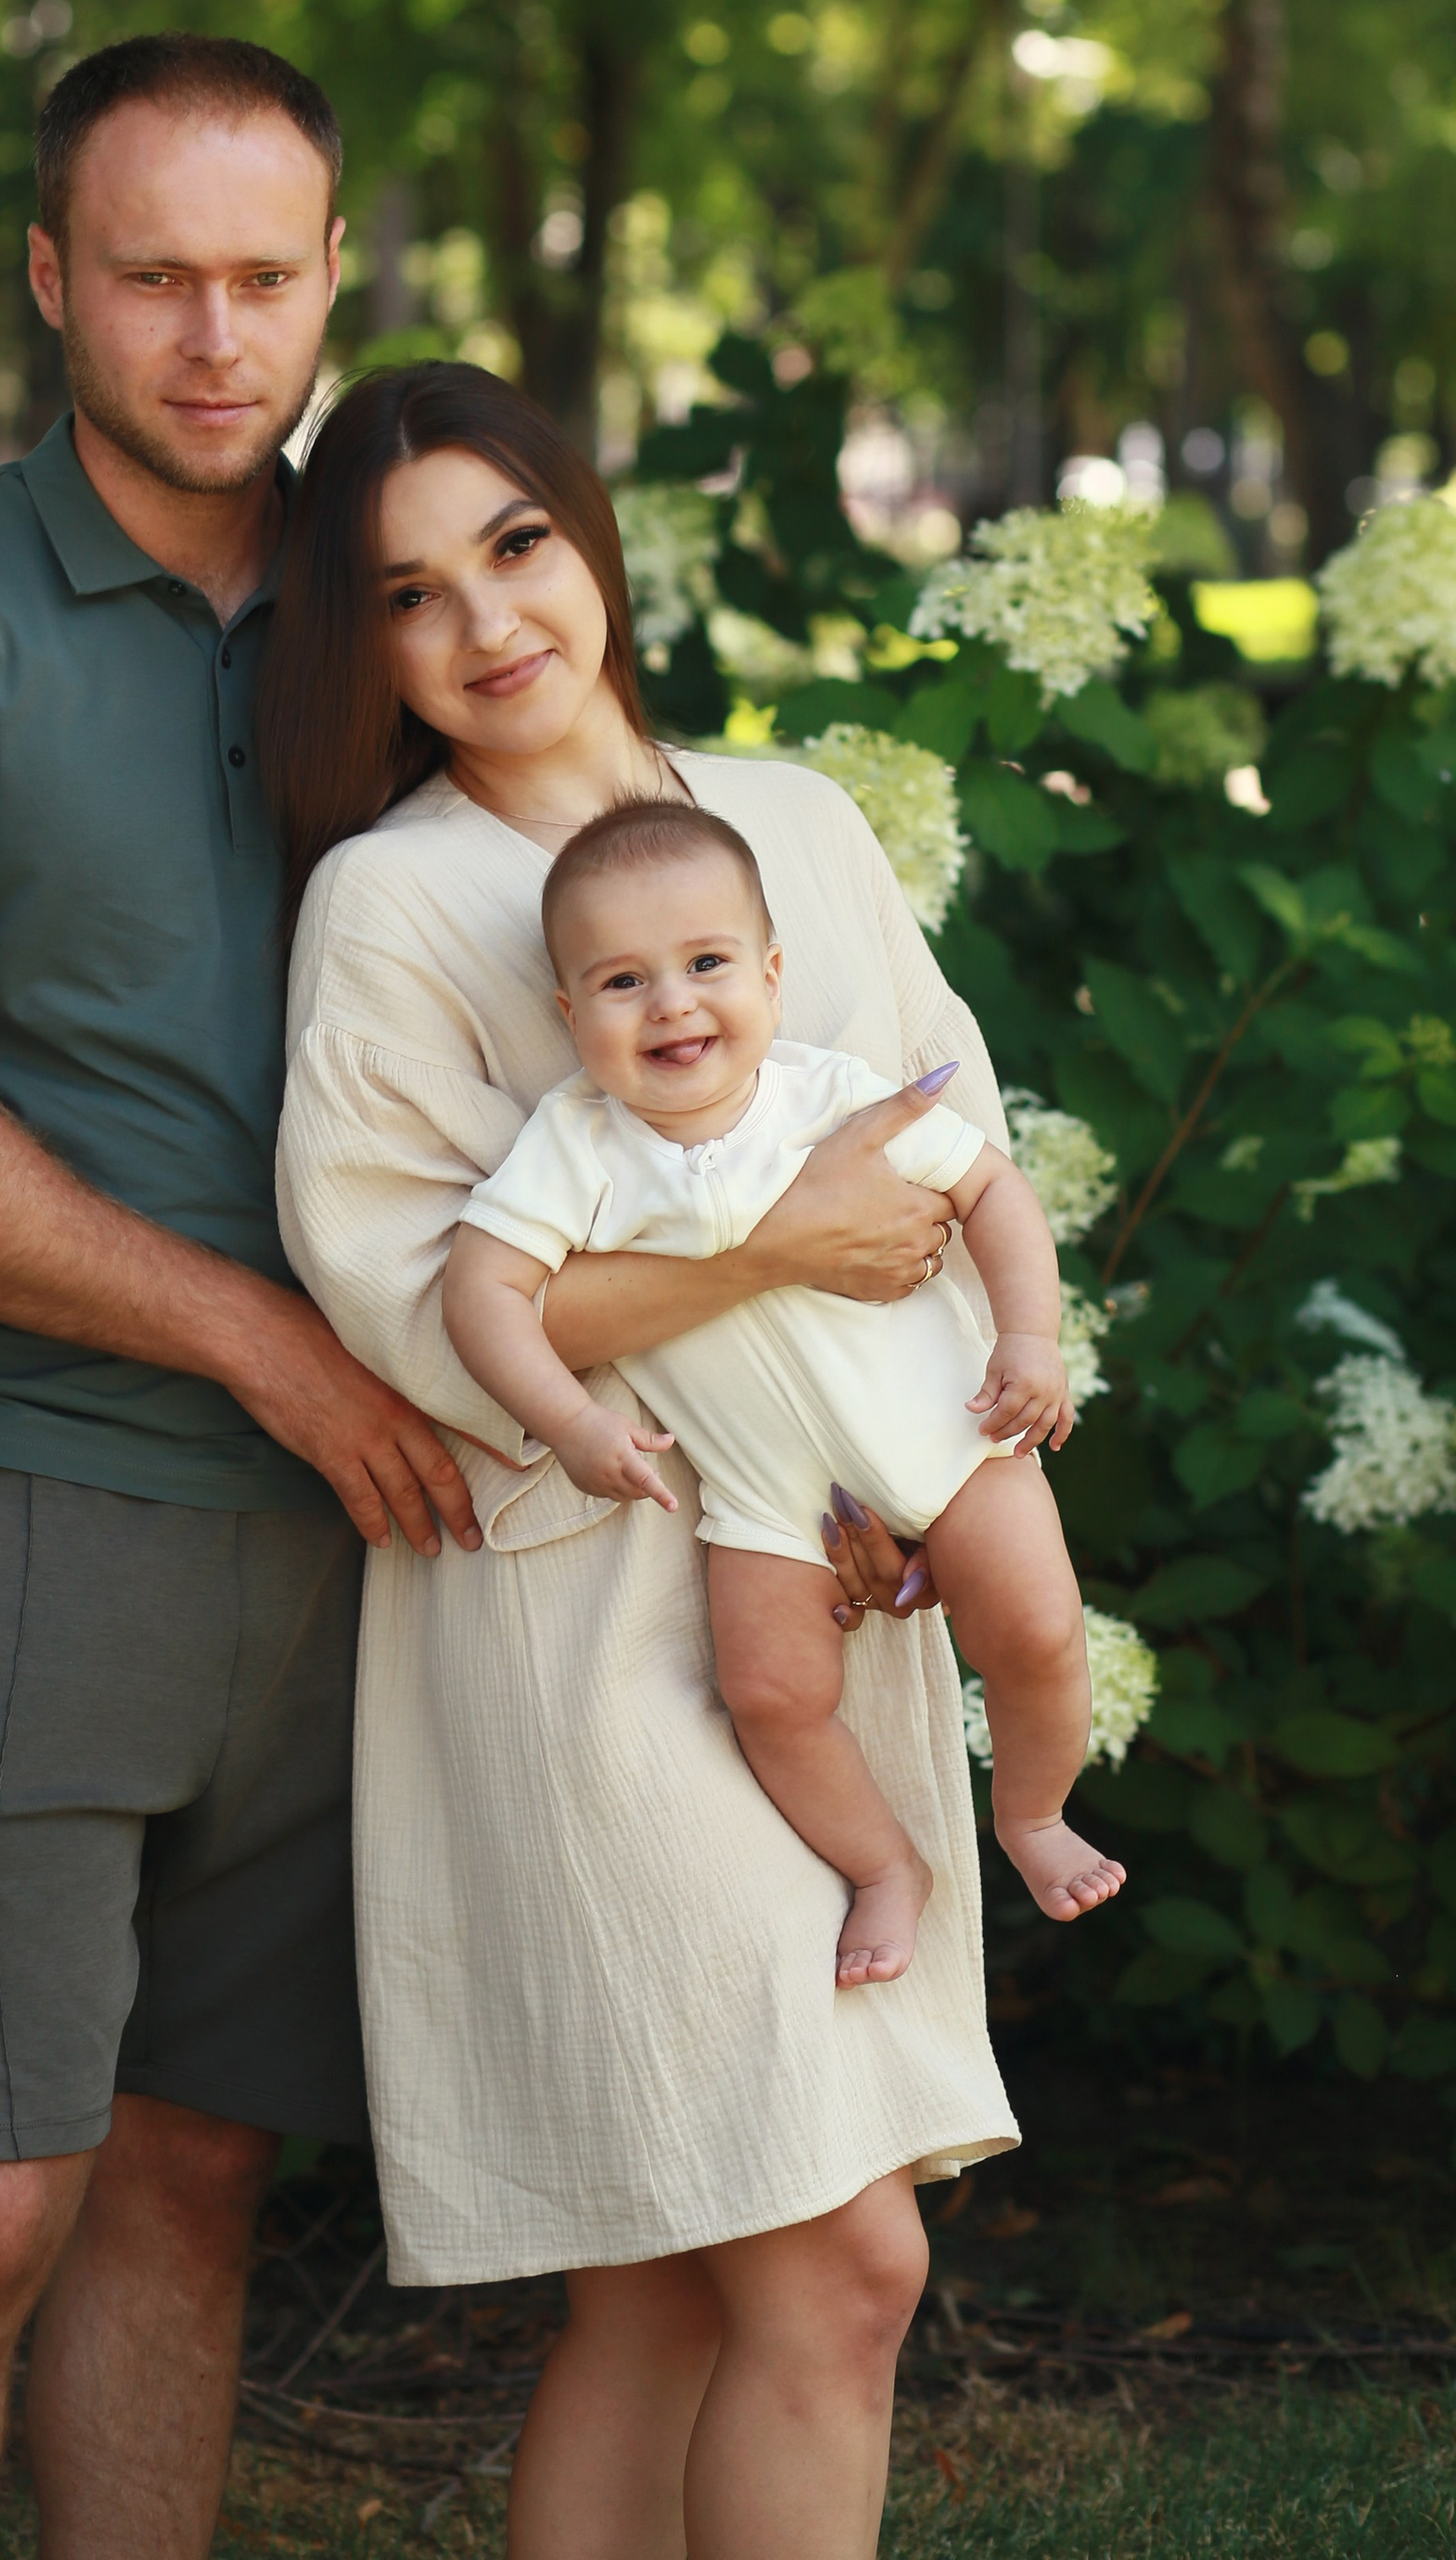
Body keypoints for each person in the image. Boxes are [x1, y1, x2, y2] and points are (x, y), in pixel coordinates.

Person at [0, 35, 477, 2560]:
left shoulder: (411, 621)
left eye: (268, 276)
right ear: (51, 277)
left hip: (361, 1532)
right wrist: (262, 1334)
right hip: (21, 1492)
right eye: (151, 274)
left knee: (189, 2172)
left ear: (338, 275)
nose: (214, 334)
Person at [265, 361, 1021, 2560]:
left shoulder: (796, 823)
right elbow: (412, 1313)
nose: (487, 620)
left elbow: (947, 1136)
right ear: (365, 647)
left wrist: (924, 1449)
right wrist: (770, 1245)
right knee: (839, 2260)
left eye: (513, 543)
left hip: (837, 1570)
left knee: (675, 2282)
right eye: (408, 594)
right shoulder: (394, 906)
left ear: (586, 536)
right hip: (582, 1621)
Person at [444, 792, 1127, 1992]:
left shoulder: (831, 1099)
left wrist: (1032, 1333)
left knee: (1035, 1624)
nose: (672, 1002)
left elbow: (992, 1191)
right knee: (770, 1694)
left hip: (955, 1432)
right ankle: (884, 1865)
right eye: (621, 981)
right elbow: (481, 1292)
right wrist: (574, 1420)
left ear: (770, 971)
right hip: (770, 1498)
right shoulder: (579, 1145)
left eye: (707, 962)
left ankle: (1031, 1814)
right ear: (568, 1012)